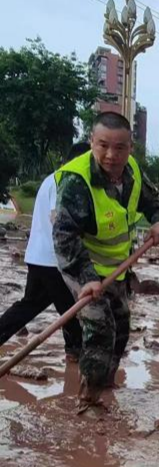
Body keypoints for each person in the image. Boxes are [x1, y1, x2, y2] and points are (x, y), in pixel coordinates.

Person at [53, 112, 159, 409]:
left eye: (119, 147)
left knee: (121, 326)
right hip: (82, 267)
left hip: (116, 268)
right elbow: (64, 237)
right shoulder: (76, 180)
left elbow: (153, 202)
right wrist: (86, 278)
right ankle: (88, 398)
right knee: (101, 328)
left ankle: (105, 383)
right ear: (91, 142)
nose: (111, 155)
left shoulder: (131, 170)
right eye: (103, 145)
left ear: (131, 147)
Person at [0, 142, 88, 357]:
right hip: (52, 260)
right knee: (70, 311)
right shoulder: (65, 180)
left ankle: (74, 350)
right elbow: (56, 217)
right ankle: (77, 352)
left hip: (40, 256)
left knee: (30, 306)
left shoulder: (54, 178)